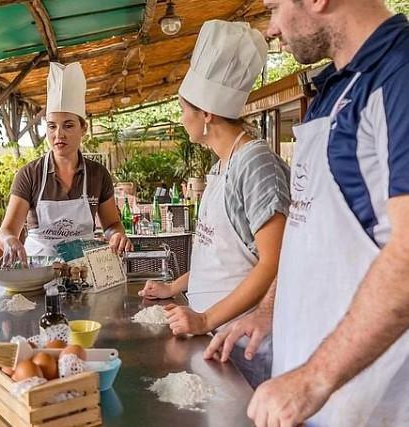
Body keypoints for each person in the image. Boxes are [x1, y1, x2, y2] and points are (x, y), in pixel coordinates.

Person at [206, 1, 409, 425]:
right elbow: (309, 227)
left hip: (369, 405)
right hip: (310, 401)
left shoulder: (399, 76)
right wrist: (269, 310)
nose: (271, 28)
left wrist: (315, 378)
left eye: (275, 7)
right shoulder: (334, 90)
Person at [138, 20, 290, 388]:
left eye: (183, 109)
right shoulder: (223, 164)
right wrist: (175, 288)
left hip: (249, 345)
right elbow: (220, 254)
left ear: (206, 113)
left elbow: (275, 261)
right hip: (218, 338)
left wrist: (204, 320)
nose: (180, 118)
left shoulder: (255, 164)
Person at [0, 62, 131, 265]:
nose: (58, 134)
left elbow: (111, 223)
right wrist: (9, 241)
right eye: (52, 126)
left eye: (68, 125)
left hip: (84, 269)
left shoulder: (97, 174)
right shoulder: (29, 174)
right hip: (38, 270)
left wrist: (116, 236)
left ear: (83, 127)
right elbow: (7, 231)